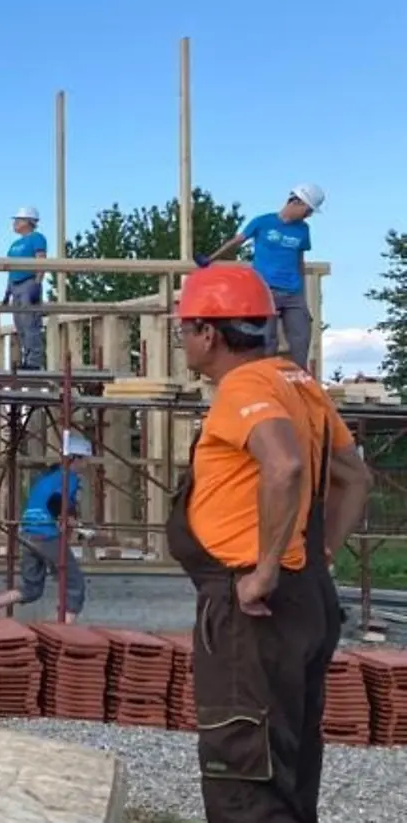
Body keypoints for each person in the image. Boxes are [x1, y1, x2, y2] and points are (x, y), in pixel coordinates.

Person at [167, 263, 369, 821]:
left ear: (209, 332)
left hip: (255, 610)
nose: (182, 339)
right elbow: (356, 478)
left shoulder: (244, 387)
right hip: (305, 598)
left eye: (183, 329)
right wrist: (318, 554)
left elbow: (283, 466)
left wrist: (266, 571)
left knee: (246, 776)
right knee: (289, 766)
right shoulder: (297, 381)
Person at [195, 184, 325, 370]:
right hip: (266, 290)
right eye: (308, 210)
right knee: (266, 341)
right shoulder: (263, 222)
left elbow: (299, 261)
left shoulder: (303, 230)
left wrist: (302, 294)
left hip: (293, 293)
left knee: (301, 338)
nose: (309, 215)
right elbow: (237, 241)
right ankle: (265, 380)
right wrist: (210, 258)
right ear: (296, 202)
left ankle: (299, 384)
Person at [0, 429, 92, 622]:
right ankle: (60, 629)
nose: (85, 464)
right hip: (46, 535)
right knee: (74, 583)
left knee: (32, 588)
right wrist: (78, 526)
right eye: (84, 459)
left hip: (27, 534)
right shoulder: (68, 477)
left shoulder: (46, 477)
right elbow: (56, 504)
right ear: (73, 458)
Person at [4, 206, 49, 370]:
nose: (14, 223)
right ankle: (26, 357)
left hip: (29, 282)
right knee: (20, 324)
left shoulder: (36, 238)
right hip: (15, 284)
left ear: (28, 222)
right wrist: (7, 291)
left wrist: (38, 282)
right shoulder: (15, 244)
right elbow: (10, 268)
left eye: (18, 220)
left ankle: (34, 361)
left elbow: (40, 260)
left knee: (30, 323)